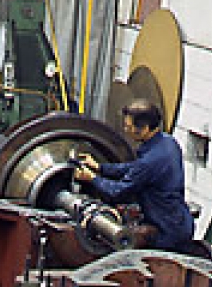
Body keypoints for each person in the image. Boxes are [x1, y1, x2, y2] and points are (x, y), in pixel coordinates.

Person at [74, 99, 195, 252]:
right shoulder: (168, 143)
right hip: (180, 222)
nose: (125, 130)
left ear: (144, 128)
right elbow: (133, 168)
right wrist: (100, 168)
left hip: (165, 233)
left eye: (128, 126)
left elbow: (117, 191)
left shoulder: (149, 162)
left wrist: (92, 178)